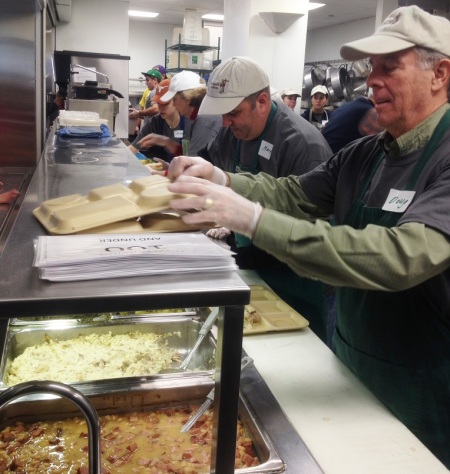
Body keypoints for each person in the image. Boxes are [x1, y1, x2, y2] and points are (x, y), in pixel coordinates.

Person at [166, 6, 450, 468]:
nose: (370, 81)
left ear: (439, 73)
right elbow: (295, 193)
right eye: (370, 69)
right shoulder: (364, 155)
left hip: (422, 380)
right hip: (351, 357)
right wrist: (223, 180)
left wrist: (253, 220)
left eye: (388, 67)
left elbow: (402, 257)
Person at [188, 56, 334, 342]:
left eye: (233, 112)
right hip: (250, 268)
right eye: (222, 114)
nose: (225, 121)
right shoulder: (232, 134)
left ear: (263, 102)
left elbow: (311, 229)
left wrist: (250, 232)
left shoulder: (303, 145)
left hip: (294, 279)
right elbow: (225, 177)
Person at [138, 70, 221, 161]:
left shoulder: (205, 120)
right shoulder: (196, 118)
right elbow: (190, 153)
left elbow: (193, 163)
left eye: (175, 99)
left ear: (187, 97)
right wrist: (166, 142)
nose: (174, 105)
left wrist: (167, 172)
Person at [129, 79, 192, 163]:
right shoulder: (155, 122)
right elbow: (133, 148)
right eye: (158, 103)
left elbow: (193, 159)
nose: (160, 108)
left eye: (165, 104)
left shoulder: (190, 123)